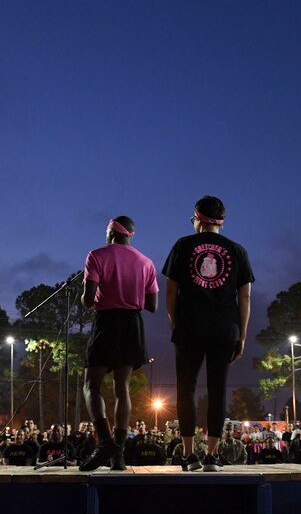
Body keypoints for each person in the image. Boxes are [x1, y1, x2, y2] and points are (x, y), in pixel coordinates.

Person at [162, 195, 254, 472]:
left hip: (190, 325)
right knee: (218, 390)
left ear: (198, 218)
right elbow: (245, 297)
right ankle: (213, 456)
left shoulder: (183, 245)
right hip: (225, 328)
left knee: (185, 389)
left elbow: (170, 291)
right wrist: (242, 335)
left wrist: (174, 322)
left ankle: (190, 455)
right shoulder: (238, 250)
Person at [79, 215, 159, 472]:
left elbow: (88, 298)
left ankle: (104, 442)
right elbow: (153, 305)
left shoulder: (96, 255)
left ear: (112, 232)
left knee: (91, 386)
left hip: (106, 321)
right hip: (133, 324)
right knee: (122, 387)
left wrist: (87, 297)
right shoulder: (146, 262)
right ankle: (119, 456)